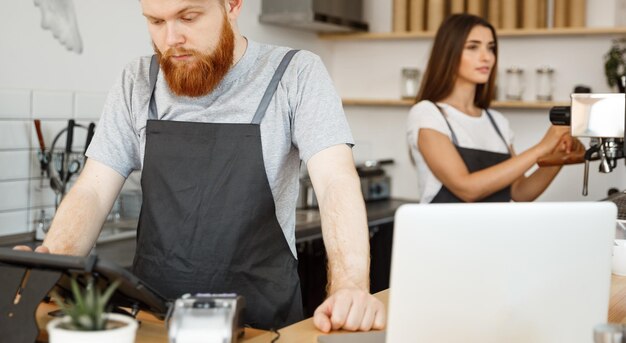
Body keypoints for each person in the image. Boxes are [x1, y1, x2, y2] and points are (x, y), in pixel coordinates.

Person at [15, 0, 385, 332]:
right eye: (155, 21)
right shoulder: (137, 81)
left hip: (259, 324)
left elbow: (336, 180)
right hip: (155, 322)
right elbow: (93, 190)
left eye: (188, 16)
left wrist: (350, 286)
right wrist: (52, 262)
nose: (171, 38)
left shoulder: (295, 74)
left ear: (233, 5)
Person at [406, 13, 579, 204]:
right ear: (448, 53)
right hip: (444, 233)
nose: (486, 57)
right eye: (473, 47)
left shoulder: (496, 121)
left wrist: (559, 158)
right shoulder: (427, 114)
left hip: (493, 233)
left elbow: (520, 192)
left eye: (491, 48)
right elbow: (466, 189)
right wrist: (542, 148)